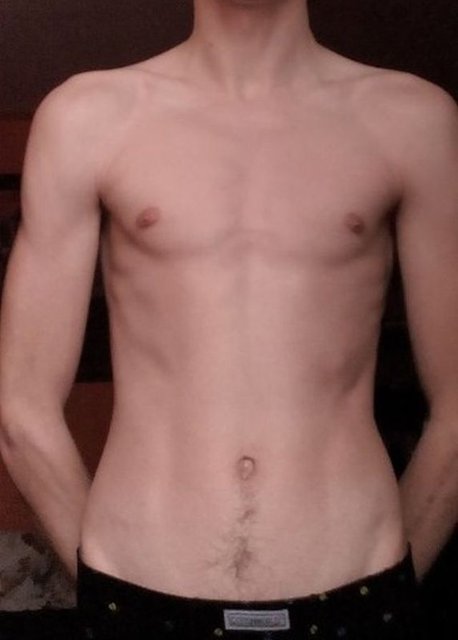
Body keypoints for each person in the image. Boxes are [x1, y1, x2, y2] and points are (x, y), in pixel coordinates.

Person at [0, 0, 457, 637]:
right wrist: (107, 585)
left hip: (361, 592)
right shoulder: (89, 118)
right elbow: (22, 407)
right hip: (134, 593)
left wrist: (394, 588)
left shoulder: (411, 119)